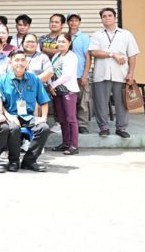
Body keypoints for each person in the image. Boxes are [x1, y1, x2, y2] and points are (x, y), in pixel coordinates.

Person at [0, 50, 51, 172]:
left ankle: (29, 160)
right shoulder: (2, 80)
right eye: (17, 60)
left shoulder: (34, 79)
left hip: (28, 116)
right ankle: (14, 161)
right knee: (14, 129)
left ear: (26, 63)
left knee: (44, 128)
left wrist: (43, 117)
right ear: (11, 63)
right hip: (10, 116)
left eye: (23, 60)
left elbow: (43, 101)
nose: (20, 63)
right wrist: (8, 116)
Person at [89, 8, 139, 138]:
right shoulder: (97, 35)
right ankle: (103, 127)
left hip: (121, 74)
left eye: (110, 15)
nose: (107, 18)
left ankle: (121, 128)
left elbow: (132, 55)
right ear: (101, 19)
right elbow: (94, 52)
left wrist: (131, 74)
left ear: (115, 17)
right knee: (101, 102)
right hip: (101, 73)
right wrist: (113, 54)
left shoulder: (126, 34)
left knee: (122, 102)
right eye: (104, 16)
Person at [50, 33, 81, 154]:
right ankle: (65, 143)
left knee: (71, 118)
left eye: (64, 41)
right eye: (59, 41)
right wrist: (50, 85)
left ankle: (74, 145)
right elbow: (51, 72)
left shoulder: (71, 56)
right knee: (62, 119)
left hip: (68, 90)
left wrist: (52, 85)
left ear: (69, 43)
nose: (61, 44)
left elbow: (67, 75)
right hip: (57, 91)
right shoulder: (56, 56)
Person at [67, 12, 92, 134]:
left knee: (83, 101)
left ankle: (82, 124)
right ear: (67, 22)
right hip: (67, 76)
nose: (73, 23)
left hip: (80, 74)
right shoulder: (64, 37)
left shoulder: (84, 38)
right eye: (71, 20)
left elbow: (88, 57)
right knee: (68, 101)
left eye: (76, 20)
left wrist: (85, 75)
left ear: (79, 22)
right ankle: (70, 123)